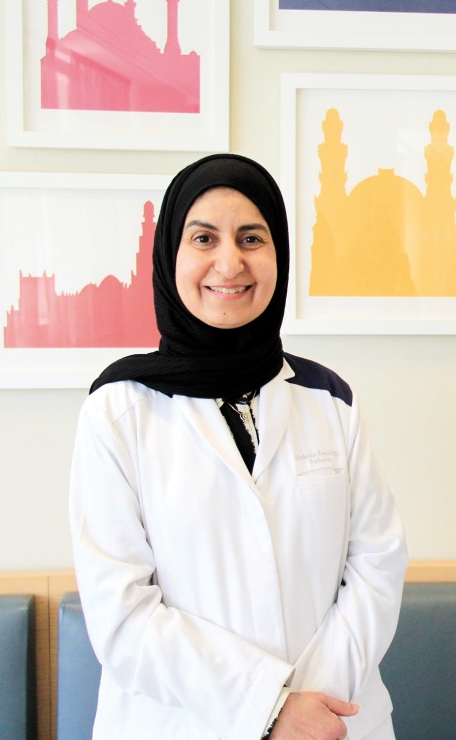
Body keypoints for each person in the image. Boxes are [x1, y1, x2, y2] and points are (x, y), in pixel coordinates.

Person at [70, 154, 407, 740]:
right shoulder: (119, 411)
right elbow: (122, 614)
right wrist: (270, 709)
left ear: (279, 255)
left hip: (335, 717)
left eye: (252, 238)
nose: (230, 263)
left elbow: (377, 562)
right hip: (181, 725)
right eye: (204, 238)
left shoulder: (329, 399)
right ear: (170, 254)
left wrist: (310, 706)